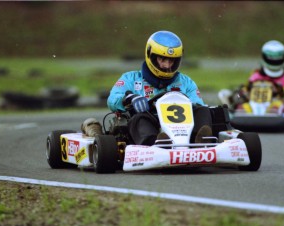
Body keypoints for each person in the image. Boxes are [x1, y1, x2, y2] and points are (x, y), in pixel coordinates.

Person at [83, 31, 223, 145]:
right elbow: (112, 100)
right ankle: (156, 143)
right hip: (149, 125)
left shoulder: (186, 82)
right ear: (151, 56)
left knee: (204, 110)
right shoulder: (131, 79)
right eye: (162, 59)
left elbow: (197, 103)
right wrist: (130, 98)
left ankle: (201, 142)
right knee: (138, 118)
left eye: (171, 60)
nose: (167, 65)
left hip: (184, 128)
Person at [228, 40, 284, 114]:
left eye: (277, 59)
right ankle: (242, 121)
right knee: (242, 107)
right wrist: (244, 93)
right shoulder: (255, 76)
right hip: (254, 107)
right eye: (271, 58)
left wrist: (279, 92)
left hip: (274, 108)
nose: (274, 61)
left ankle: (270, 120)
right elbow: (245, 92)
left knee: (276, 106)